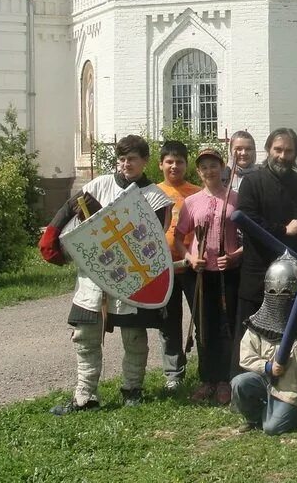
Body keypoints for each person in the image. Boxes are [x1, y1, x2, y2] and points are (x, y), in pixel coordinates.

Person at [39, 134, 172, 415]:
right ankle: (85, 396)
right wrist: (52, 238)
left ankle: (132, 390)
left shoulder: (156, 198)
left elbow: (149, 241)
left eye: (132, 159)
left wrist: (101, 217)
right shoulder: (98, 185)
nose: (125, 164)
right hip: (94, 277)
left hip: (132, 279)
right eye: (121, 159)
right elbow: (69, 210)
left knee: (134, 338)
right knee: (84, 337)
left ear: (145, 161)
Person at [235, 128, 297, 352]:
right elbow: (246, 220)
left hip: (294, 273)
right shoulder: (252, 182)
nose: (282, 156)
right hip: (258, 272)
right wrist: (283, 230)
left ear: (296, 153)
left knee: (292, 338)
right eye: (278, 149)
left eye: (288, 151)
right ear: (268, 149)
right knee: (250, 340)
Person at [232, 254, 297, 435]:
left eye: (286, 292)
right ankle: (256, 417)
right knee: (239, 383)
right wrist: (268, 367)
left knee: (272, 428)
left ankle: (290, 414)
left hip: (293, 390)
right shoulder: (259, 323)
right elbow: (246, 357)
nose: (280, 297)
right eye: (274, 292)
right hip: (265, 381)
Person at [178, 147, 242, 405]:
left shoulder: (236, 198)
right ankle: (208, 378)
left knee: (227, 324)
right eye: (204, 167)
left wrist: (235, 255)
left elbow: (250, 234)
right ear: (198, 171)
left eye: (213, 165)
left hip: (229, 272)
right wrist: (190, 258)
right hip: (201, 273)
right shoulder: (191, 202)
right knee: (204, 326)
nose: (209, 171)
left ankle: (226, 379)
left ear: (222, 167)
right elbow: (179, 237)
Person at [155, 140, 201, 392]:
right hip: (165, 268)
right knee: (169, 322)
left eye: (179, 162)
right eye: (169, 162)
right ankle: (173, 373)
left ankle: (208, 369)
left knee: (202, 319)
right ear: (160, 164)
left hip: (194, 267)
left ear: (186, 164)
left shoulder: (197, 193)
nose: (174, 166)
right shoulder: (152, 193)